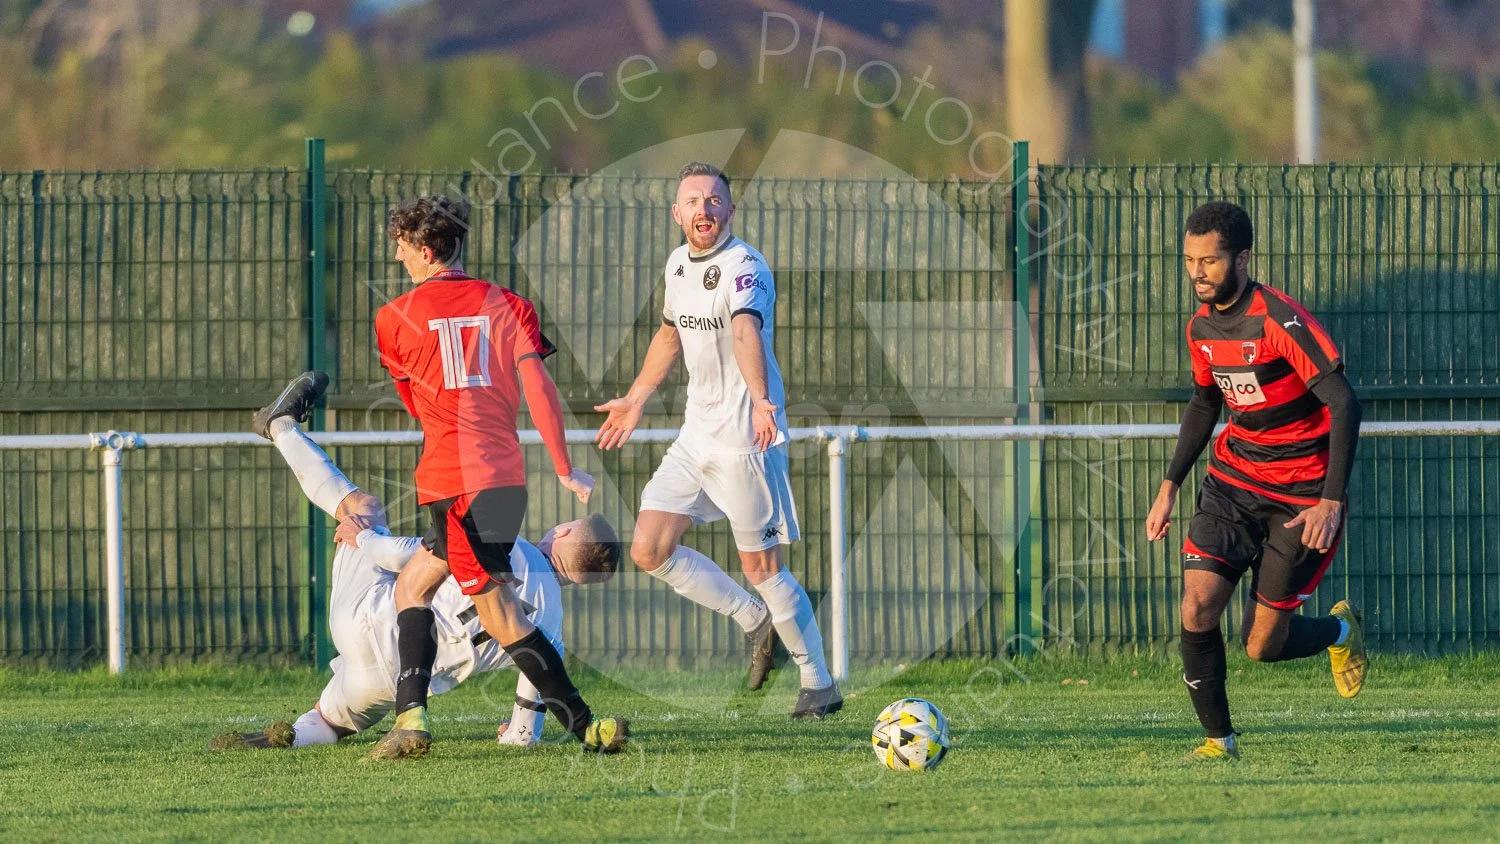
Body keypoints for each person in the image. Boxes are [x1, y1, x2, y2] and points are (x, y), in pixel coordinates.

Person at [219, 395, 620, 750]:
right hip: (396, 683)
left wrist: (362, 539)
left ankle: (281, 426)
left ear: (565, 530)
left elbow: (409, 558)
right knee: (331, 721)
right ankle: (292, 737)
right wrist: (518, 733)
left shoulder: (509, 543)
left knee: (364, 507)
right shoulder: (552, 631)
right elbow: (524, 726)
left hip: (369, 622)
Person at [373, 196, 623, 758]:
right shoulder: (509, 305)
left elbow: (414, 404)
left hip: (453, 481)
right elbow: (539, 390)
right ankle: (410, 715)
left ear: (427, 250)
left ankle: (587, 727)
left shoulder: (393, 319)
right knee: (413, 585)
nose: (397, 257)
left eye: (402, 246)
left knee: (502, 612)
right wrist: (562, 465)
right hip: (502, 480)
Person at [595, 162, 840, 719]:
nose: (703, 209)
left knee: (763, 566)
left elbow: (745, 329)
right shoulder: (678, 264)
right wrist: (635, 398)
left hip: (744, 440)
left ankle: (818, 683)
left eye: (714, 200)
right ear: (677, 213)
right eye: (693, 201)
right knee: (649, 547)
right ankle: (753, 620)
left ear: (731, 210)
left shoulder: (744, 264)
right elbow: (668, 334)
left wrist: (760, 399)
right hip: (695, 435)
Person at [1144, 201, 1368, 762]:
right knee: (1196, 607)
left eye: (1210, 260)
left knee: (1262, 646)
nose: (1197, 272)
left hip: (1300, 498)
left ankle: (1339, 633)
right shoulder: (1200, 327)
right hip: (1233, 483)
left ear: (1243, 258)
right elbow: (1204, 402)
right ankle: (1220, 742)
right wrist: (1171, 484)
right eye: (1190, 260)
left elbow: (1344, 402)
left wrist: (1330, 502)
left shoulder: (1279, 320)